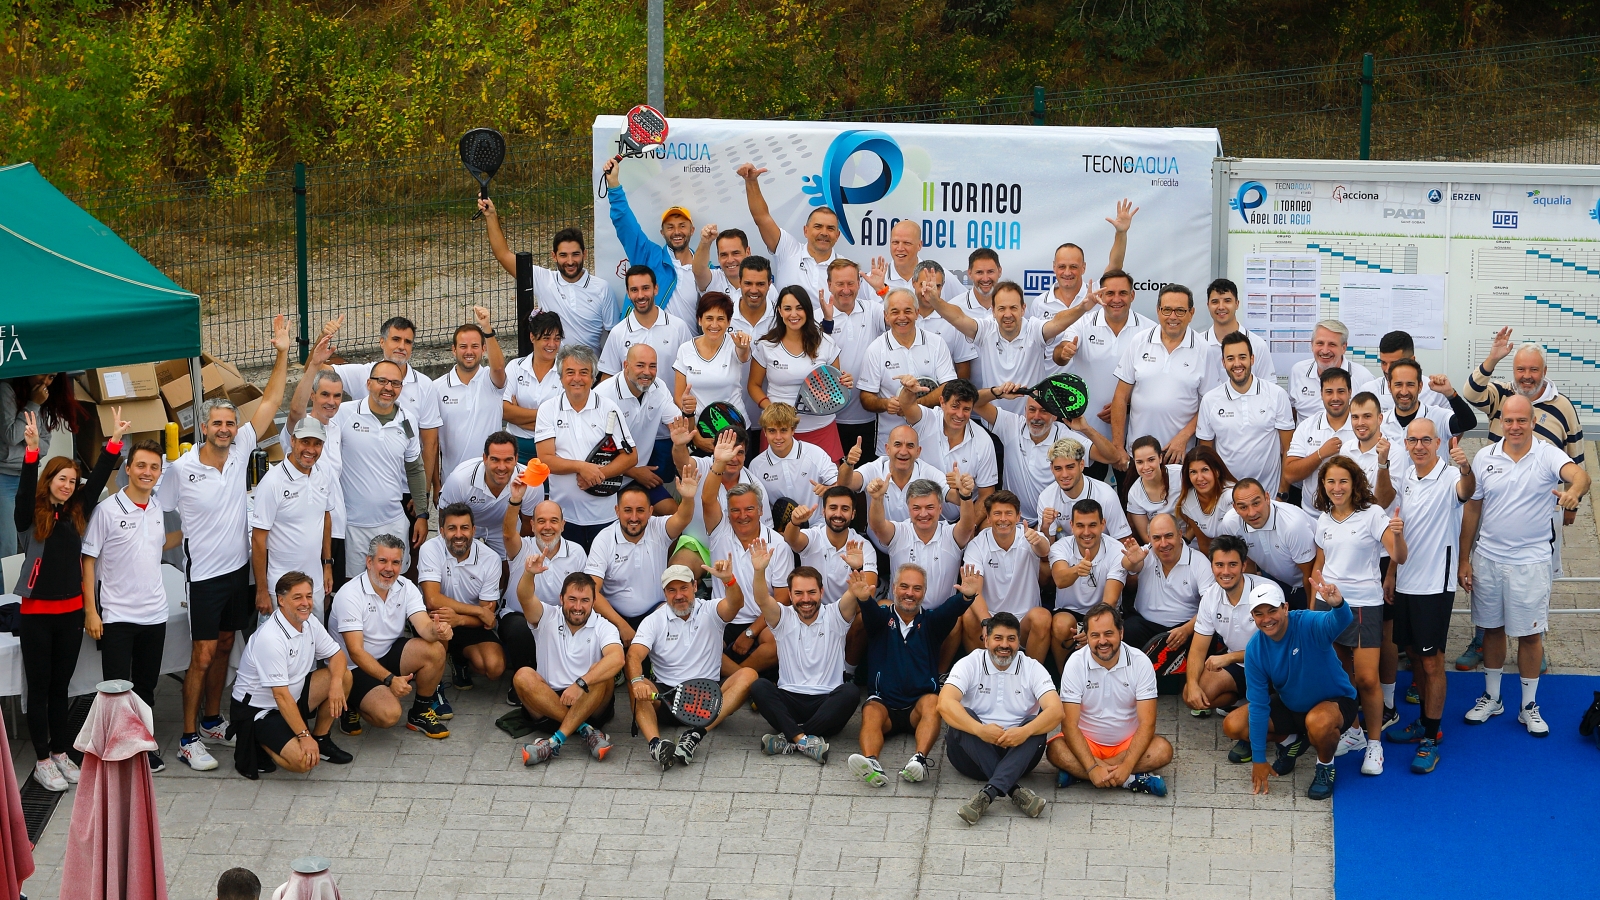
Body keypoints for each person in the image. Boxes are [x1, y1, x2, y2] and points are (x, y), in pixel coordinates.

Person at [159, 316, 292, 771]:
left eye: (230, 423)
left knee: (223, 644)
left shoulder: (240, 453)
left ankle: (213, 720)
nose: (224, 429)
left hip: (238, 573)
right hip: (203, 579)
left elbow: (271, 400)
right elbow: (155, 511)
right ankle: (187, 738)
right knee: (200, 656)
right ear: (203, 426)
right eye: (216, 422)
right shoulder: (180, 469)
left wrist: (281, 352)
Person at [1460, 393, 1589, 736]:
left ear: (1533, 421)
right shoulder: (1485, 456)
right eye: (1509, 420)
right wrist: (1463, 559)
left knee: (1531, 635)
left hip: (1531, 562)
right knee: (1491, 629)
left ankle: (1528, 705)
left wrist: (1574, 492)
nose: (1514, 426)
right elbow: (1472, 509)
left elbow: (1581, 476)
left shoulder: (1548, 454)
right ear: (1501, 422)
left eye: (1521, 420)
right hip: (1488, 558)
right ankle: (1492, 697)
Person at [13, 408, 124, 790]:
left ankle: (60, 751)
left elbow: (98, 480)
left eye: (73, 481)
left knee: (61, 687)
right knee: (40, 688)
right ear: (49, 480)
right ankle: (42, 759)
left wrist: (113, 443)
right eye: (62, 478)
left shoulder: (78, 511)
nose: (68, 485)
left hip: (71, 614)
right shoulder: (30, 515)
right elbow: (24, 492)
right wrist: (31, 451)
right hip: (37, 615)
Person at [80, 439, 182, 772]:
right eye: (141, 465)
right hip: (117, 615)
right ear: (128, 468)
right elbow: (88, 560)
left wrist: (191, 531)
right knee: (117, 689)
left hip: (154, 614)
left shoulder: (157, 508)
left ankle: (143, 746)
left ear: (160, 472)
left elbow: (155, 545)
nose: (147, 472)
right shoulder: (107, 510)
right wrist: (91, 611)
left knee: (146, 687)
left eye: (154, 467)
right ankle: (118, 749)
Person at [1382, 418, 1474, 772]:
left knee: (1432, 662)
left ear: (1438, 443)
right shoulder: (1407, 476)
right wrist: (1392, 572)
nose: (1419, 446)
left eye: (1426, 440)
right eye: (1413, 440)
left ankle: (1431, 738)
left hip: (1435, 586)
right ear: (1406, 444)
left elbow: (1467, 489)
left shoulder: (1451, 476)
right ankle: (1423, 721)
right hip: (1406, 581)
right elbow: (1401, 529)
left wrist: (1465, 466)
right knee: (1413, 656)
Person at [1309, 454, 1406, 775]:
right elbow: (1320, 565)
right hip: (1328, 607)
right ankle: (1353, 733)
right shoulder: (1323, 519)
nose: (1337, 487)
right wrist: (1313, 612)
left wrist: (1397, 534)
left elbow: (1399, 555)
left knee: (1366, 678)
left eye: (1343, 481)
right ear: (1323, 485)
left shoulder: (1373, 514)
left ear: (1354, 484)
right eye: (1330, 481)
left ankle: (1375, 744)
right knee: (1340, 676)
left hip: (1364, 606)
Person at [1222, 580, 1358, 800]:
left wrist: (1338, 604)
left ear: (1285, 608)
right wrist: (1259, 759)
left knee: (1318, 722)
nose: (1267, 619)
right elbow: (1258, 705)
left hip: (1336, 702)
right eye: (1259, 614)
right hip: (1292, 705)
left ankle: (1325, 766)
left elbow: (1340, 621)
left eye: (1272, 610)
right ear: (1252, 617)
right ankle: (1290, 741)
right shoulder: (1255, 649)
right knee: (1233, 724)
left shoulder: (1307, 622)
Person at [849, 563, 980, 787]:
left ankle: (919, 761)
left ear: (924, 592)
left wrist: (966, 597)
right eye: (904, 586)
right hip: (884, 703)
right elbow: (870, 613)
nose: (910, 593)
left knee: (934, 702)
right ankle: (871, 763)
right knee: (870, 710)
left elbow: (950, 610)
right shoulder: (881, 619)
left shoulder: (931, 622)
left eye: (917, 588)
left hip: (918, 706)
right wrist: (864, 599)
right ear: (894, 588)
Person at [627, 563, 760, 769]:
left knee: (749, 675)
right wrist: (637, 682)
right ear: (665, 593)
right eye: (672, 590)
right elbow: (634, 654)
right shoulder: (653, 621)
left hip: (709, 699)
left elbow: (736, 604)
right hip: (666, 697)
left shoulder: (711, 610)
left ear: (695, 587)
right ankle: (656, 745)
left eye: (684, 588)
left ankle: (695, 735)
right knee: (635, 682)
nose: (679, 595)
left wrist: (729, 580)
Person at [939, 611, 1062, 825]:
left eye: (1011, 639)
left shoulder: (1032, 667)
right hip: (970, 755)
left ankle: (987, 795)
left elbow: (1056, 711)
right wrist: (980, 730)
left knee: (1035, 724)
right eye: (998, 638)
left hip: (1017, 752)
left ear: (1019, 642)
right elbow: (944, 703)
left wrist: (1024, 732)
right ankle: (1013, 790)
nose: (1004, 645)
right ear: (986, 640)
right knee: (962, 717)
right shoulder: (970, 663)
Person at [331, 534, 454, 740]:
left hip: (388, 653)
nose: (389, 568)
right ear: (369, 562)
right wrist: (390, 680)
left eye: (395, 562)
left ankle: (420, 713)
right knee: (389, 716)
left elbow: (424, 627)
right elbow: (356, 652)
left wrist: (438, 631)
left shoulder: (406, 586)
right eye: (383, 561)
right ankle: (350, 702)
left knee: (436, 649)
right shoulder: (349, 594)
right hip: (353, 668)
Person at [228, 572, 353, 777]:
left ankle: (321, 739)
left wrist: (336, 684)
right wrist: (304, 736)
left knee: (344, 676)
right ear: (281, 600)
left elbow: (337, 655)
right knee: (303, 762)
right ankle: (257, 740)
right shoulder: (271, 638)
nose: (305, 603)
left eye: (309, 596)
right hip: (260, 710)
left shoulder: (309, 621)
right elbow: (280, 696)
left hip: (293, 696)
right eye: (297, 597)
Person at [746, 550, 864, 763]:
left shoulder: (835, 615)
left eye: (812, 592)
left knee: (850, 692)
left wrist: (857, 568)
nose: (806, 599)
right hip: (789, 700)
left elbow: (854, 593)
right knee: (759, 686)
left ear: (821, 592)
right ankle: (805, 741)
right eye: (799, 593)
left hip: (826, 704)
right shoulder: (782, 617)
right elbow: (762, 599)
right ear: (790, 595)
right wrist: (759, 570)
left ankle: (789, 738)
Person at [1050, 602, 1171, 795]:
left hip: (1127, 744)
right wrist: (1092, 767)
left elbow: (1147, 723)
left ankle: (1081, 773)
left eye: (1108, 634)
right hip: (1086, 742)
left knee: (1163, 750)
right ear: (1087, 637)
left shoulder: (1140, 662)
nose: (1102, 641)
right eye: (1095, 635)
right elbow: (1069, 726)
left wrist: (1126, 764)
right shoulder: (1075, 663)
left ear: (1121, 633)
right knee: (1055, 749)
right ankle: (1130, 780)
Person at [324, 315, 444, 505]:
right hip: (364, 489)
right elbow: (315, 370)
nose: (402, 346)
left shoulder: (424, 385)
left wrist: (423, 494)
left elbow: (430, 443)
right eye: (396, 339)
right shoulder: (363, 373)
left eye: (407, 342)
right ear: (382, 342)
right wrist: (322, 339)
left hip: (408, 488)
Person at [867, 474, 980, 670]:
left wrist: (966, 497)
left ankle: (940, 675)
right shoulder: (900, 531)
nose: (923, 514)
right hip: (903, 611)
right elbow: (877, 526)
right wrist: (877, 499)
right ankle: (889, 673)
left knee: (956, 618)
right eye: (916, 508)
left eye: (929, 507)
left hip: (940, 615)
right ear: (908, 509)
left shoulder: (951, 533)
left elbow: (968, 526)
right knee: (883, 607)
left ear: (940, 508)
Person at [702, 431, 794, 673]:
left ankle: (734, 679)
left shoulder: (778, 544)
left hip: (760, 621)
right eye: (735, 510)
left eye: (749, 509)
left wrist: (751, 632)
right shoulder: (720, 530)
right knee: (698, 638)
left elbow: (782, 598)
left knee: (774, 643)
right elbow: (707, 499)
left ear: (761, 510)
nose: (742, 516)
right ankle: (746, 680)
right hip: (724, 616)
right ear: (728, 512)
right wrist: (719, 462)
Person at [513, 567, 624, 765]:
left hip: (590, 703)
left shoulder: (604, 626)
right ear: (561, 599)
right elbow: (524, 596)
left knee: (602, 672)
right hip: (547, 704)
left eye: (585, 600)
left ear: (594, 602)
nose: (578, 607)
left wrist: (581, 684)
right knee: (522, 675)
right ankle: (585, 731)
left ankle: (554, 742)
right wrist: (529, 573)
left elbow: (617, 658)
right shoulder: (547, 615)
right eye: (572, 599)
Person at [925, 281, 1090, 413]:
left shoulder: (1034, 329)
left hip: (1031, 423)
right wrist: (935, 301)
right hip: (993, 424)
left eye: (1013, 308)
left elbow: (1057, 322)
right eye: (1002, 308)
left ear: (1023, 309)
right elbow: (958, 317)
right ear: (993, 311)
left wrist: (1082, 307)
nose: (1008, 314)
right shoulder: (985, 329)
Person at [534, 344, 638, 550]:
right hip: (563, 518)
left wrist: (598, 474)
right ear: (561, 377)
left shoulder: (609, 408)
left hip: (605, 516)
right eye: (570, 372)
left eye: (583, 372)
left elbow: (630, 456)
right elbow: (545, 459)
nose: (577, 378)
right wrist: (581, 467)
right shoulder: (547, 410)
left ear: (593, 377)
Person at [329, 358, 428, 572]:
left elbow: (415, 468)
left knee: (393, 582)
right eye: (382, 381)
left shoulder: (408, 420)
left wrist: (422, 514)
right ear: (368, 383)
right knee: (353, 585)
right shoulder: (343, 414)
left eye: (395, 383)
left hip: (394, 522)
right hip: (353, 525)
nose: (388, 388)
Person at [481, 204, 621, 351]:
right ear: (554, 256)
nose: (570, 261)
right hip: (553, 365)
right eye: (563, 255)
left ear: (584, 254)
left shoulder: (602, 289)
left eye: (575, 254)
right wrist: (491, 215)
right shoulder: (544, 280)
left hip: (589, 364)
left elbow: (614, 336)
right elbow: (503, 255)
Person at [974, 384, 1118, 524]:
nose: (1037, 417)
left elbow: (1112, 457)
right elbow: (974, 402)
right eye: (1032, 410)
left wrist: (1086, 429)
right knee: (985, 528)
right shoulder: (1012, 425)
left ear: (1055, 415)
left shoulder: (1067, 437)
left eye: (1044, 410)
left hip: (1051, 522)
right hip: (1013, 520)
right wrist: (998, 392)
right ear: (1025, 411)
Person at [585, 470, 699, 644]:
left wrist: (688, 498)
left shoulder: (658, 528)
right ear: (617, 511)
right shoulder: (604, 539)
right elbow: (591, 590)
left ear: (650, 511)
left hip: (656, 612)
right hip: (614, 617)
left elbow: (683, 518)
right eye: (627, 510)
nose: (634, 517)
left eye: (640, 510)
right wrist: (621, 625)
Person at [1110, 284, 1220, 464]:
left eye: (1180, 311)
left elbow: (1209, 405)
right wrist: (1117, 446)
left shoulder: (1203, 349)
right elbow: (1120, 397)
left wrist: (1183, 437)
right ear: (1158, 311)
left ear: (1191, 313)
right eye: (1167, 310)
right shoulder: (1139, 341)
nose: (1172, 317)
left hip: (1177, 456)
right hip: (1138, 457)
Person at [501, 481, 589, 706]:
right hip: (520, 616)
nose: (547, 527)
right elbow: (508, 533)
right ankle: (521, 683)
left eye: (553, 521)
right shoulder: (522, 547)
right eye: (541, 521)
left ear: (563, 525)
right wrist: (515, 500)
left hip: (560, 618)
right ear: (531, 525)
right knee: (519, 628)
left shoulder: (576, 552)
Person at [1055, 270, 1154, 453]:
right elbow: (1059, 355)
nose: (1116, 299)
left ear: (1132, 295)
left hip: (1132, 433)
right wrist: (1064, 352)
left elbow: (1154, 381)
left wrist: (1125, 404)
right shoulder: (1082, 323)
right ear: (1100, 296)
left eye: (1122, 293)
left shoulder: (1150, 330)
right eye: (1110, 293)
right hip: (1086, 433)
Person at [748, 286, 852, 456]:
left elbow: (834, 385)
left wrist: (845, 382)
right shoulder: (766, 346)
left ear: (808, 310)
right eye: (787, 308)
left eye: (799, 308)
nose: (793, 314)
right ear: (780, 311)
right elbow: (753, 385)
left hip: (821, 430)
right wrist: (774, 410)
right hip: (778, 432)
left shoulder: (826, 342)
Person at [250, 418, 337, 624]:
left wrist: (327, 564)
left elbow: (325, 518)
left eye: (317, 444)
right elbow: (258, 540)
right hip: (282, 587)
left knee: (313, 640)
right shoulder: (272, 483)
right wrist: (262, 590)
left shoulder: (324, 473)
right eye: (305, 442)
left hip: (315, 585)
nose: (311, 450)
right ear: (293, 441)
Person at [284, 330, 350, 587]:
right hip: (309, 532)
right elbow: (295, 409)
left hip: (336, 529)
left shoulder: (336, 428)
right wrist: (313, 364)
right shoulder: (302, 426)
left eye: (337, 396)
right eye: (325, 394)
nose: (331, 401)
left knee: (332, 596)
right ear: (313, 396)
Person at [417, 503, 505, 694]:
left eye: (464, 528)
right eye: (452, 528)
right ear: (442, 531)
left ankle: (458, 659)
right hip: (437, 618)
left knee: (494, 668)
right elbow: (432, 600)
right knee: (438, 620)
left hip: (469, 623)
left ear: (473, 530)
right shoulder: (430, 549)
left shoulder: (490, 559)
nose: (458, 534)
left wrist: (460, 619)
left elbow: (488, 617)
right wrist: (478, 611)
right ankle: (433, 690)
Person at [1183, 536, 1269, 731]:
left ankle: (1264, 702)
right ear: (1212, 566)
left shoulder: (1265, 592)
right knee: (1190, 695)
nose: (1226, 572)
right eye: (1219, 565)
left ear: (1244, 565)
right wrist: (1193, 685)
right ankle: (1242, 698)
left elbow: (1274, 650)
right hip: (1239, 666)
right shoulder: (1210, 596)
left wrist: (1229, 657)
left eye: (1232, 564)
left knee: (1235, 726)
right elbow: (1197, 650)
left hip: (1270, 668)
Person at [857, 288, 957, 454]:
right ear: (886, 316)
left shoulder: (937, 343)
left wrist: (911, 406)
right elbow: (866, 397)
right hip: (889, 444)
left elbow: (949, 386)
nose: (902, 317)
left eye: (908, 311)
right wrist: (885, 404)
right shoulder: (875, 350)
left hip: (932, 440)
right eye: (895, 312)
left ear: (917, 313)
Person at [1196, 330, 1294, 495]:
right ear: (1223, 362)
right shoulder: (1210, 400)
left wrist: (1282, 493)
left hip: (1269, 496)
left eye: (1242, 357)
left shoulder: (1276, 395)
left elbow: (1288, 449)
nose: (1237, 364)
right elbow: (1206, 455)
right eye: (1230, 358)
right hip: (1226, 496)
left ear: (1252, 359)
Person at [602, 157, 698, 322]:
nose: (676, 232)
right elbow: (626, 224)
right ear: (662, 232)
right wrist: (614, 185)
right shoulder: (648, 256)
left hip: (688, 339)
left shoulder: (704, 269)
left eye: (682, 226)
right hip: (645, 337)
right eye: (670, 227)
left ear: (692, 230)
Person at [961, 491, 1052, 659]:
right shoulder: (976, 545)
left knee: (1042, 617)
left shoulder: (1030, 535)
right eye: (997, 513)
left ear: (1018, 517)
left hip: (1024, 621)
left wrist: (1038, 541)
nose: (1003, 519)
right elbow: (974, 589)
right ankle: (983, 669)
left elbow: (1044, 550)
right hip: (990, 618)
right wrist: (987, 622)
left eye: (1009, 513)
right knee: (968, 615)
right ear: (988, 518)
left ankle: (1032, 674)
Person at [593, 343, 681, 513]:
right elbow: (594, 454)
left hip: (638, 477)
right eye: (640, 365)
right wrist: (634, 472)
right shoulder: (603, 396)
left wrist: (689, 413)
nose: (647, 372)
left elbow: (679, 428)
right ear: (626, 365)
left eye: (652, 366)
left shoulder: (659, 387)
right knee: (622, 519)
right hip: (605, 479)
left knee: (672, 514)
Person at [3, 373, 83, 556]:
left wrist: (29, 445)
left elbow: (44, 446)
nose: (45, 381)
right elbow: (11, 436)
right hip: (4, 476)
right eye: (43, 374)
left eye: (52, 377)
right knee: (7, 545)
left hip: (27, 475)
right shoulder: (8, 390)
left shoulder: (43, 398)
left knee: (33, 537)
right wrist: (33, 404)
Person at [894, 378, 999, 516]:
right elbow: (907, 405)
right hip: (919, 514)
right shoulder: (927, 419)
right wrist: (908, 390)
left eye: (966, 409)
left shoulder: (984, 442)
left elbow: (986, 495)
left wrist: (966, 526)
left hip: (962, 518)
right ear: (942, 402)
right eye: (955, 406)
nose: (960, 415)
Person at [737, 163, 841, 299]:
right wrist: (751, 181)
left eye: (830, 228)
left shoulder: (845, 268)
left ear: (837, 235)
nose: (824, 233)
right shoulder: (788, 250)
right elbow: (761, 217)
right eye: (818, 226)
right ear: (805, 230)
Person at [1049, 500, 1128, 674]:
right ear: (1071, 525)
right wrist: (1077, 570)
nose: (1086, 532)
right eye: (1080, 526)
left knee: (1106, 628)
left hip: (1104, 611)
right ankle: (1064, 678)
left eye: (1092, 525)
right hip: (1069, 611)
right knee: (1061, 624)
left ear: (1102, 524)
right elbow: (1060, 580)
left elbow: (1110, 600)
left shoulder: (1117, 549)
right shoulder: (1060, 546)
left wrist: (1092, 628)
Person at [838, 425, 949, 548]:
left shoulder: (929, 472)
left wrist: (962, 491)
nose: (903, 451)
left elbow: (952, 495)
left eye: (910, 446)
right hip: (878, 547)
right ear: (887, 449)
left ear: (918, 451)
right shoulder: (874, 468)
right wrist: (849, 463)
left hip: (918, 549)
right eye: (898, 444)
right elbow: (845, 484)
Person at [1118, 512, 1215, 652]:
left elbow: (1211, 606)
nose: (1163, 544)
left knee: (1204, 635)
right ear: (1149, 539)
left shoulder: (1200, 562)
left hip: (1184, 629)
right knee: (1129, 628)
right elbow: (1129, 564)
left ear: (1180, 534)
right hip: (1145, 626)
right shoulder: (1146, 552)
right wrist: (1132, 562)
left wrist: (1186, 629)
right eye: (1157, 538)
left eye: (1169, 536)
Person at [819, 259, 885, 462]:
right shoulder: (816, 316)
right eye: (840, 284)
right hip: (828, 419)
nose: (846, 290)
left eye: (851, 283)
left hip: (868, 417)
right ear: (829, 284)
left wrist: (882, 290)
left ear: (859, 283)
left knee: (865, 477)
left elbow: (901, 312)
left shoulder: (873, 309)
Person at [1215, 478, 1316, 608]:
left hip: (1305, 584)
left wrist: (1311, 611)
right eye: (1243, 507)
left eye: (1256, 503)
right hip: (1271, 577)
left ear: (1267, 498)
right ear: (1235, 508)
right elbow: (1246, 562)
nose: (1252, 513)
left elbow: (1310, 574)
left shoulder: (1293, 525)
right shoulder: (1230, 523)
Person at [433, 311, 508, 481]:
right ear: (454, 350)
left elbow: (498, 368)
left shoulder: (491, 380)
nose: (469, 352)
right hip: (452, 481)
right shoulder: (437, 387)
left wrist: (487, 328)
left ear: (483, 349)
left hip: (491, 479)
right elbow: (432, 442)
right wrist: (436, 484)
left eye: (474, 346)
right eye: (463, 346)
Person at [674, 291, 753, 454]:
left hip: (737, 432)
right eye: (709, 318)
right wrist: (696, 436)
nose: (714, 325)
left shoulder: (735, 344)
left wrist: (743, 346)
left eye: (721, 319)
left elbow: (743, 355)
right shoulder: (685, 349)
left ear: (729, 321)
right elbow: (678, 397)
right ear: (699, 320)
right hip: (700, 434)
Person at [782, 486, 879, 612]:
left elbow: (868, 594)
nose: (838, 514)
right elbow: (791, 539)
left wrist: (857, 569)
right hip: (812, 610)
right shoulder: (813, 536)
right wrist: (795, 522)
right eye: (833, 508)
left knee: (864, 616)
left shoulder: (864, 546)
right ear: (823, 512)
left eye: (845, 509)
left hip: (847, 613)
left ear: (853, 514)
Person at [1032, 207, 1135, 317]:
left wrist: (1121, 233)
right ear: (1054, 267)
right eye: (1062, 266)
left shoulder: (1096, 294)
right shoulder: (1039, 303)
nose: (1067, 273)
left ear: (1083, 268)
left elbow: (1115, 266)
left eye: (1073, 267)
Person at [600, 265, 692, 382]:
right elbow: (607, 378)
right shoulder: (617, 333)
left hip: (671, 395)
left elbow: (691, 370)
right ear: (628, 293)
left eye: (645, 288)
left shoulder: (679, 327)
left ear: (656, 289)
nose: (640, 295)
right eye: (634, 290)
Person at [747, 403, 842, 516]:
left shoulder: (816, 454)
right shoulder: (756, 466)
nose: (778, 437)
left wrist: (829, 490)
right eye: (772, 431)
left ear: (793, 430)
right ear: (764, 432)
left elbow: (840, 487)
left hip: (819, 524)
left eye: (783, 430)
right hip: (780, 527)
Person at [438, 431, 520, 561]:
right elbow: (445, 516)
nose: (501, 467)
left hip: (502, 526)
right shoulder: (459, 479)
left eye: (508, 460)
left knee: (511, 565)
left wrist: (519, 557)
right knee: (454, 561)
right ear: (485, 458)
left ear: (516, 459)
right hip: (465, 525)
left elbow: (527, 527)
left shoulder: (528, 482)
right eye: (495, 459)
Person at [1284, 367, 1357, 514]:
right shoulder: (1306, 427)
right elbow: (1289, 474)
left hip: (1355, 515)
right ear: (1321, 394)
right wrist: (1320, 454)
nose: (1335, 398)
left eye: (1341, 391)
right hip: (1313, 515)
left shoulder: (1362, 426)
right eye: (1329, 392)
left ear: (1350, 392)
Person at [1036, 438, 1132, 544]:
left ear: (1081, 465)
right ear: (1051, 468)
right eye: (1058, 468)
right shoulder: (1046, 497)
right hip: (1066, 553)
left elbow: (1124, 542)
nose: (1064, 474)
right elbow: (1046, 550)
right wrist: (1045, 527)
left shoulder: (1106, 495)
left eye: (1070, 467)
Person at [501, 311, 567, 462]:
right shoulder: (515, 367)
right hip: (516, 449)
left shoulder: (567, 371)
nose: (552, 344)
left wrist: (518, 416)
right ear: (532, 337)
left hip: (555, 450)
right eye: (546, 338)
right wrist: (549, 416)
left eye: (557, 339)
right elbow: (504, 411)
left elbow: (567, 418)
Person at [1287, 320, 1381, 421]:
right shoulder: (1298, 371)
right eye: (1320, 343)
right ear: (1312, 345)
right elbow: (1291, 413)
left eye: (1332, 344)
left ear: (1343, 348)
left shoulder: (1363, 377)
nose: (1325, 351)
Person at [904, 260, 978, 378]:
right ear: (914, 283)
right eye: (924, 284)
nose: (930, 290)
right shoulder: (902, 318)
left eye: (936, 286)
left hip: (945, 389)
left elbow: (963, 367)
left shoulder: (954, 320)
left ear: (942, 286)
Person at [1197, 278, 1275, 381]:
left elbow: (1268, 387)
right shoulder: (1198, 345)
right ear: (1208, 305)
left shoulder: (1257, 345)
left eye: (1227, 301)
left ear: (1237, 304)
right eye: (1215, 302)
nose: (1221, 307)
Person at [691, 225, 775, 304]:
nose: (730, 260)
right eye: (724, 255)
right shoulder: (713, 280)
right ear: (718, 256)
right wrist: (705, 242)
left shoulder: (767, 288)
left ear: (748, 252)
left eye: (736, 253)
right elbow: (698, 271)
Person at [1177, 445, 1237, 555]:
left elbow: (1243, 542)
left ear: (1217, 471)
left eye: (1205, 470)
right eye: (1193, 472)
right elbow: (1204, 543)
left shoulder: (1232, 496)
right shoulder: (1188, 500)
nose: (1199, 478)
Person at [1375, 330, 1450, 413]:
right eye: (1383, 363)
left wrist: (1450, 393)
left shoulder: (1435, 392)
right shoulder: (1370, 391)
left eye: (1394, 364)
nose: (1387, 370)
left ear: (1412, 360)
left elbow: (1457, 419)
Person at [1124, 435, 1180, 544]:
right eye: (1140, 462)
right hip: (1161, 546)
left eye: (1151, 460)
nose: (1146, 467)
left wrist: (1185, 541)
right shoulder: (1134, 494)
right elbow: (1147, 536)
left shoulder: (1180, 474)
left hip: (1192, 541)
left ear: (1160, 458)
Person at [950, 247, 1001, 318]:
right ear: (970, 273)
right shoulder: (954, 308)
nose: (985, 279)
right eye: (979, 272)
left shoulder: (1012, 306)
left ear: (999, 272)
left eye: (990, 272)